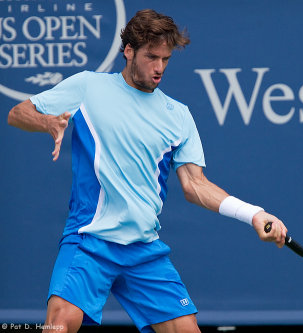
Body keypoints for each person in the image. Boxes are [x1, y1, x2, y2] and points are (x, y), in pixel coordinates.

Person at [8, 9, 287, 333]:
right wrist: (47, 122)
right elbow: (17, 113)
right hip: (90, 239)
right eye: (151, 57)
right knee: (59, 325)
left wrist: (253, 213)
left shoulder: (178, 115)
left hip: (143, 248)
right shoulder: (88, 86)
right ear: (128, 51)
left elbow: (195, 185)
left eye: (165, 59)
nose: (159, 68)